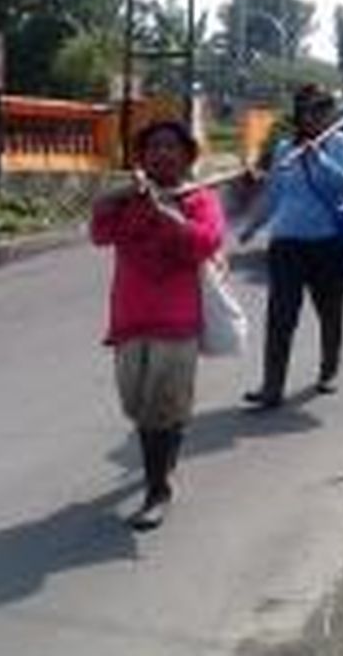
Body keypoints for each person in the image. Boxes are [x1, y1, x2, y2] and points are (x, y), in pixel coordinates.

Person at [90, 120, 225, 530]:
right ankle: (170, 445)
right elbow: (99, 233)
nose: (162, 153)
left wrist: (167, 214)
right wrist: (117, 195)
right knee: (138, 404)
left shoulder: (198, 199)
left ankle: (158, 490)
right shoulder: (129, 199)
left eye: (171, 147)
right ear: (142, 157)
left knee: (156, 410)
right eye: (154, 147)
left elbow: (206, 242)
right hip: (130, 318)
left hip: (176, 321)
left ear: (186, 156)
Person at [239, 88, 343, 409]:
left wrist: (319, 158)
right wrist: (253, 226)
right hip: (286, 243)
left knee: (330, 312)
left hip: (326, 242)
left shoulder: (339, 144)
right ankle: (272, 386)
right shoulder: (284, 149)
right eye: (311, 110)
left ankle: (328, 370)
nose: (318, 116)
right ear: (300, 115)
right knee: (280, 316)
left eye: (324, 110)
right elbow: (274, 193)